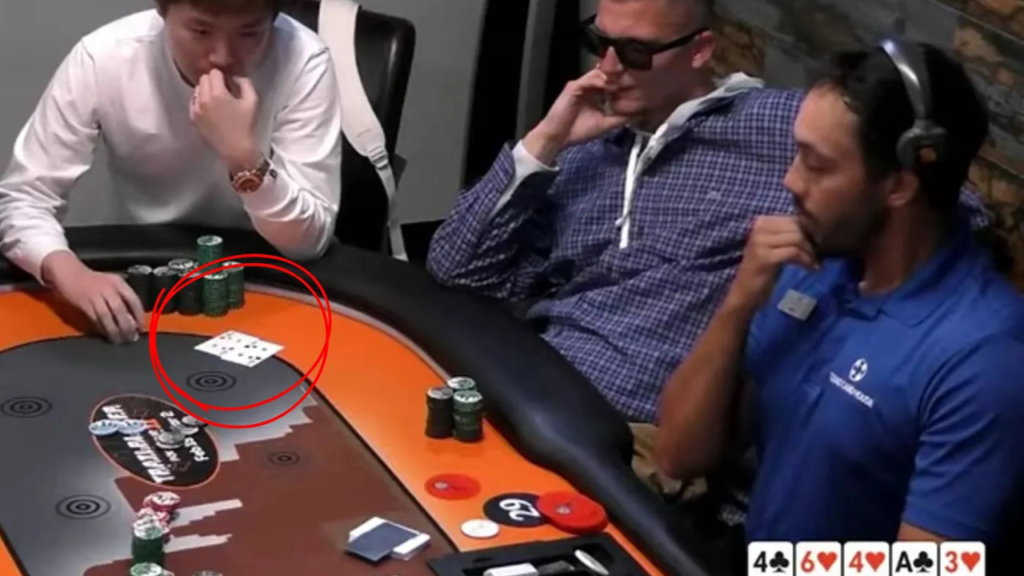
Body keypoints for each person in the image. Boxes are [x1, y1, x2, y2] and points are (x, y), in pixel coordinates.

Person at [426, 0, 987, 470]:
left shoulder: (780, 125)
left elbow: (949, 201)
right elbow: (457, 270)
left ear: (699, 51)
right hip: (527, 383)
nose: (608, 67)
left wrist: (833, 261)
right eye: (600, 42)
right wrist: (544, 142)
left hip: (631, 432)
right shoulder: (586, 146)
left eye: (636, 52)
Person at [653, 40, 1024, 559]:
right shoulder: (814, 263)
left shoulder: (985, 359)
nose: (790, 180)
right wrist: (739, 304)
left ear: (899, 186)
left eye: (817, 164)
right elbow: (678, 455)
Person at [0, 0, 342, 344]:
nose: (222, 56)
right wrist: (68, 271)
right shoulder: (103, 57)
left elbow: (307, 242)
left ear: (274, 19)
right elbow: (24, 199)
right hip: (146, 268)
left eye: (249, 32)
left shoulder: (304, 59)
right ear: (162, 11)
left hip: (269, 274)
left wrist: (242, 156)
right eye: (201, 31)